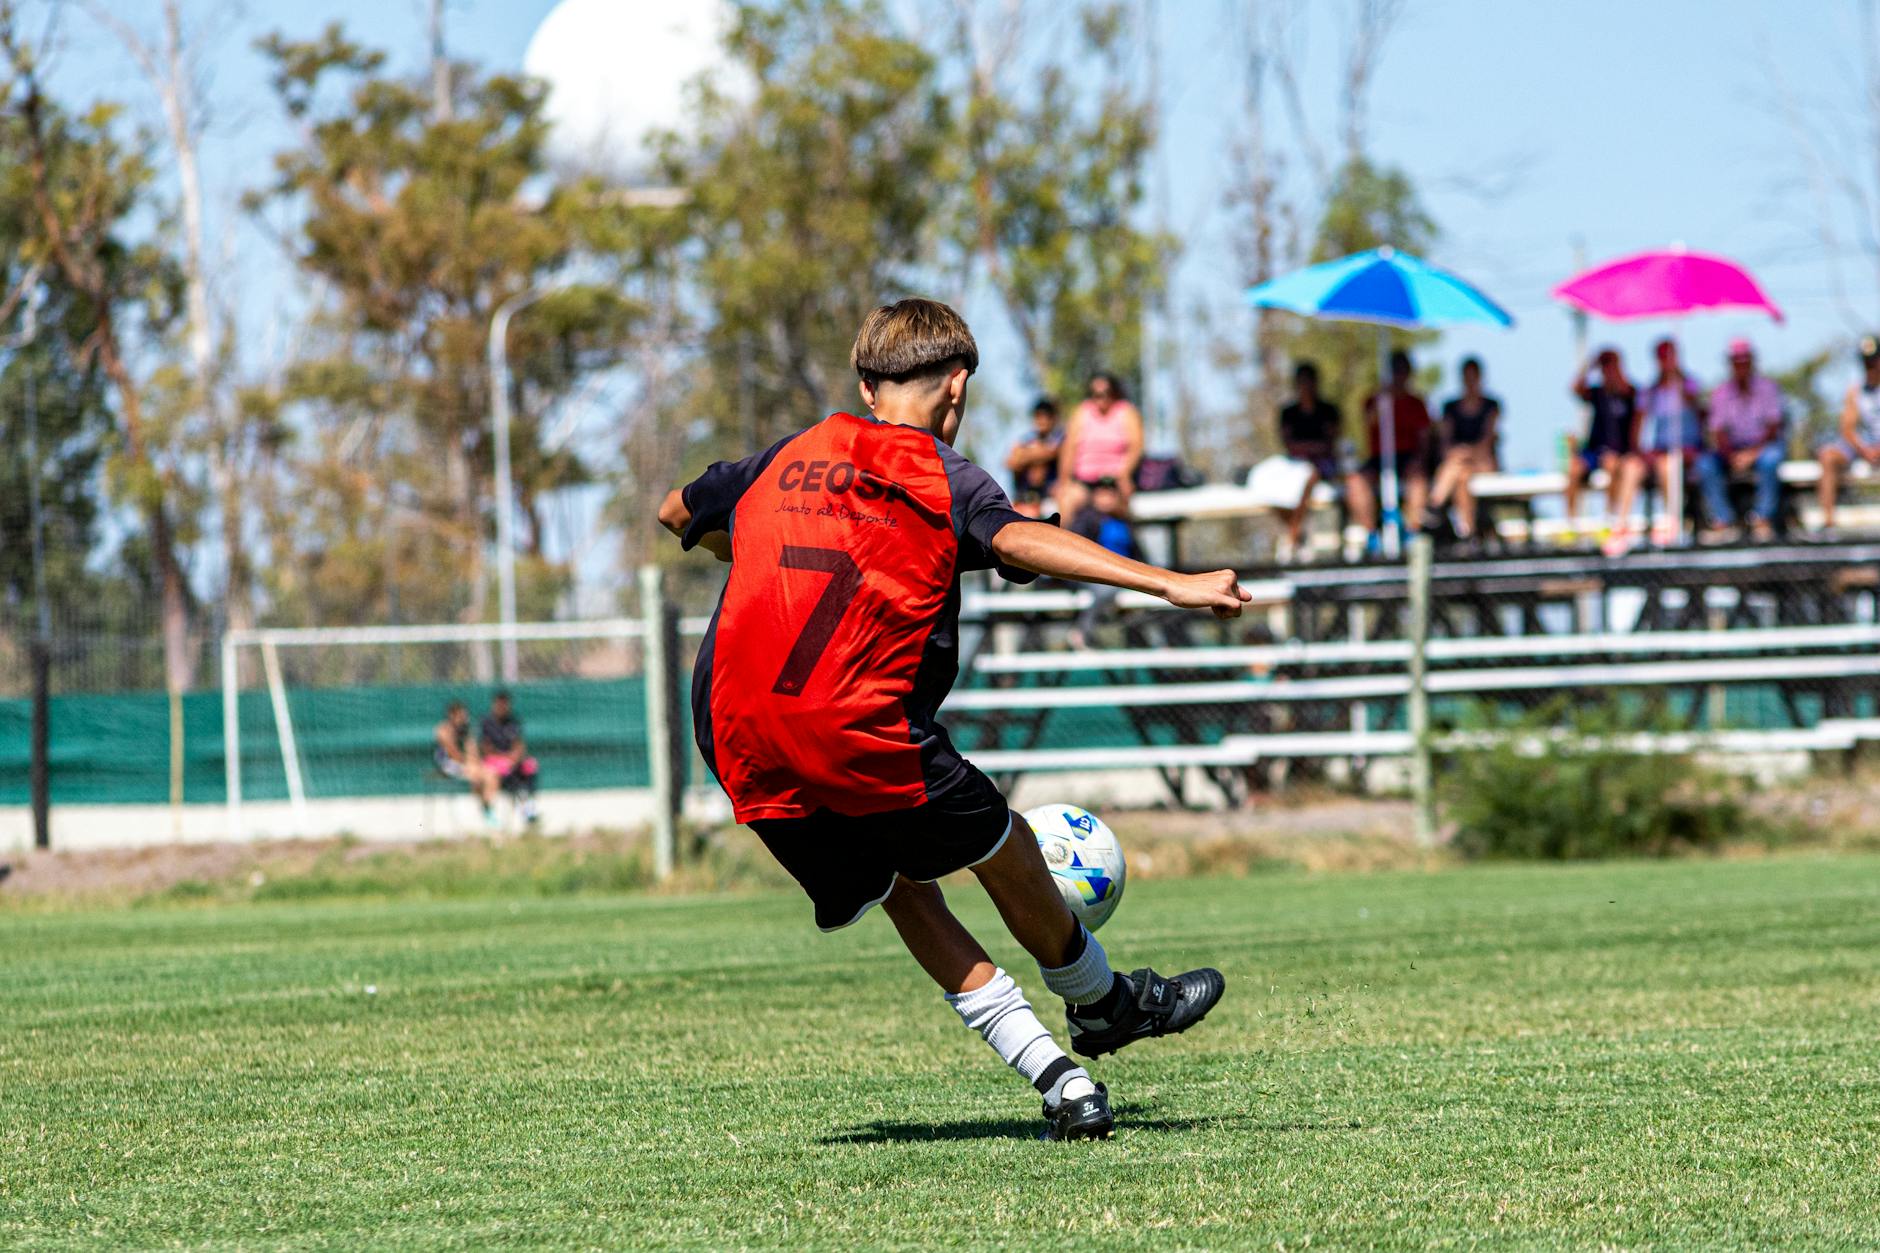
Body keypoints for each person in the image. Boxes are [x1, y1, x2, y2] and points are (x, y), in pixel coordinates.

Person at [656, 298, 1244, 1141]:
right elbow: (1019, 540)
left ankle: (1065, 1086)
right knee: (1000, 841)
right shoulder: (942, 474)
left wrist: (749, 544)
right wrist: (1170, 582)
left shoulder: (789, 454)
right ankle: (1102, 1001)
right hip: (853, 723)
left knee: (903, 890)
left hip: (736, 729)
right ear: (958, 384)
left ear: (866, 384)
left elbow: (676, 512)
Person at [1613, 337, 1705, 553]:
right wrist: (1642, 453)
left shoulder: (1689, 384)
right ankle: (1621, 526)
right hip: (1659, 450)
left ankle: (1671, 520)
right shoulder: (1650, 392)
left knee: (1668, 465)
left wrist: (1680, 385)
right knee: (1630, 467)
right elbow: (1638, 429)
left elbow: (1701, 414)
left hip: (1687, 448)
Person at [1276, 361, 1374, 561]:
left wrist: (1311, 449)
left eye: (1309, 381)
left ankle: (1367, 535)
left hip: (1326, 466)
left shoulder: (1328, 410)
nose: (1306, 386)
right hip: (1295, 468)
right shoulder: (1288, 413)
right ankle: (1295, 535)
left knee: (1346, 481)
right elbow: (1289, 445)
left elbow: (1331, 443)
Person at [1696, 338, 1786, 541]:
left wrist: (1751, 454)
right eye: (1737, 361)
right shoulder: (1720, 393)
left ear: (1752, 362)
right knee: (1705, 465)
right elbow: (1718, 432)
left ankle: (1762, 519)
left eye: (1744, 361)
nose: (1741, 366)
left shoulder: (1768, 388)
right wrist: (1732, 456)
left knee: (1771, 460)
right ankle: (1723, 520)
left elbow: (1773, 428)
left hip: (1763, 447)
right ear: (1730, 364)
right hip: (1732, 449)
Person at [1425, 356, 1501, 543]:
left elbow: (1488, 441)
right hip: (1461, 467)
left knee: (1457, 466)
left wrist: (1466, 451)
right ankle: (1468, 532)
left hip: (1483, 463)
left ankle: (1434, 505)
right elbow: (1445, 442)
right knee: (1461, 475)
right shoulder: (1450, 407)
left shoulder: (1491, 406)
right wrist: (1459, 453)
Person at [1055, 372, 1143, 523]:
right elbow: (1069, 448)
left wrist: (1125, 474)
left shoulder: (1126, 412)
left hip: (1115, 479)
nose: (1101, 398)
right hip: (1085, 481)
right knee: (1067, 500)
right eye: (1096, 394)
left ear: (1114, 393)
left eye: (1106, 393)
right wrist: (1064, 481)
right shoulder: (1082, 412)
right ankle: (1062, 543)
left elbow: (1136, 446)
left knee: (1114, 503)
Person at [1362, 349, 1433, 534]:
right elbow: (1369, 423)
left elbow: (1425, 440)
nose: (1399, 375)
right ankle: (1371, 535)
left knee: (1418, 480)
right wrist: (1383, 400)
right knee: (1356, 481)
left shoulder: (1417, 404)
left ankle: (1412, 533)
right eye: (1395, 370)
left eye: (1403, 370)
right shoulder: (1374, 400)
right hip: (1380, 458)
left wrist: (1420, 461)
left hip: (1408, 457)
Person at [1567, 348, 1638, 532]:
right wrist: (1589, 366)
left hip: (1619, 452)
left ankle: (1610, 516)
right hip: (1594, 450)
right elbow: (1575, 388)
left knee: (1612, 463)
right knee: (1573, 468)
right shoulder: (1597, 393)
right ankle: (1571, 522)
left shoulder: (1630, 393)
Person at [1816, 336, 1880, 533]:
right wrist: (1865, 450)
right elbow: (1847, 428)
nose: (1870, 366)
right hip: (1866, 443)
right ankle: (1828, 524)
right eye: (1866, 361)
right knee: (1828, 456)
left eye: (1873, 360)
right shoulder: (1855, 391)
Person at [478, 690, 541, 824]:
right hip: (495, 762)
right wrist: (504, 758)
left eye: (505, 704)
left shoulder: (513, 722)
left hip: (512, 762)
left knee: (530, 766)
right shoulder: (487, 723)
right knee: (505, 773)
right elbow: (486, 748)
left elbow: (519, 745)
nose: (502, 707)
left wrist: (514, 757)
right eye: (499, 704)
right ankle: (492, 810)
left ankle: (528, 803)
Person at [433, 700, 499, 821]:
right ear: (452, 715)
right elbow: (452, 753)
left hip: (465, 766)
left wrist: (475, 764)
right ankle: (484, 809)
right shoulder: (443, 730)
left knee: (491, 774)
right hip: (447, 765)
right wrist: (469, 765)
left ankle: (487, 807)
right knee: (475, 774)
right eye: (461, 715)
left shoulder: (466, 732)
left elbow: (472, 751)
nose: (464, 718)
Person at [1005, 397, 1063, 519]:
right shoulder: (1026, 439)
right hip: (1025, 498)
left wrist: (1027, 455)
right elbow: (1011, 462)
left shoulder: (1060, 438)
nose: (1042, 420)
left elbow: (1055, 452)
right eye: (1038, 416)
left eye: (1046, 416)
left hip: (1050, 497)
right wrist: (1039, 454)